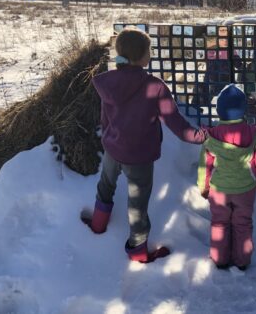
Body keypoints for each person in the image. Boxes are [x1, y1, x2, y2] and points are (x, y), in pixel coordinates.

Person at [82, 27, 207, 264]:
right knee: (137, 204)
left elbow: (105, 117)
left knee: (106, 184)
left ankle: (98, 224)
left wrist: (108, 138)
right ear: (141, 56)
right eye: (149, 50)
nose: (151, 54)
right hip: (139, 157)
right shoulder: (154, 86)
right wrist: (200, 136)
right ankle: (138, 252)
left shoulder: (109, 82)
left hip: (112, 148)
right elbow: (176, 123)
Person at [197, 83, 256, 271]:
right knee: (243, 223)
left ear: (219, 111)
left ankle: (220, 259)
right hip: (245, 189)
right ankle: (242, 260)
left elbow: (204, 165)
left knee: (220, 222)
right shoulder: (251, 133)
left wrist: (203, 186)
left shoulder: (212, 135)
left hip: (219, 189)